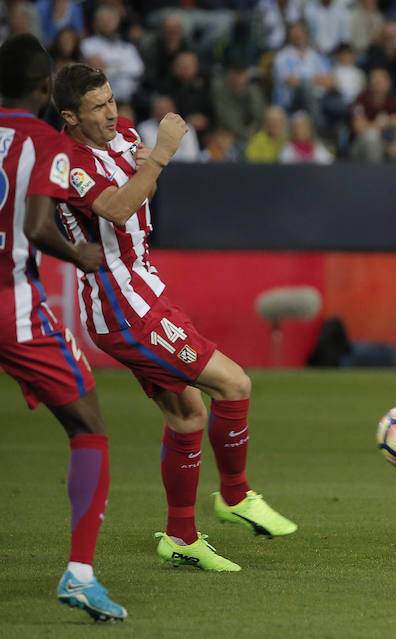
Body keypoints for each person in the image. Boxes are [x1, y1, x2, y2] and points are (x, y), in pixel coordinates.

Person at [53, 62, 297, 572]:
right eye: (97, 107)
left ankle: (182, 537)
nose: (112, 112)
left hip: (146, 293)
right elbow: (118, 208)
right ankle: (235, 495)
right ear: (71, 116)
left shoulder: (118, 137)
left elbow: (140, 195)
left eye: (112, 99)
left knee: (188, 415)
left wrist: (147, 164)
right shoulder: (69, 160)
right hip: (124, 310)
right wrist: (161, 156)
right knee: (234, 385)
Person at [0, 34, 125, 622]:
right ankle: (80, 573)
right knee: (88, 426)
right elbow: (36, 225)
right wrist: (83, 256)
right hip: (11, 305)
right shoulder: (44, 140)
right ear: (47, 90)